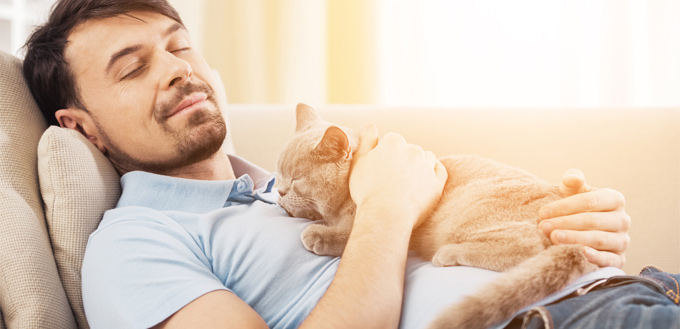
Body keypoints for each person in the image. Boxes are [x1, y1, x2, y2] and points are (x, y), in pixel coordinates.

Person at [21, 1, 677, 328]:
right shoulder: (132, 245)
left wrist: (580, 231)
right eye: (134, 68)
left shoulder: (288, 184)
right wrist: (388, 210)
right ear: (82, 127)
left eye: (179, 46)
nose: (177, 70)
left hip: (635, 286)